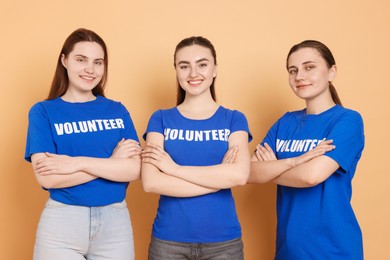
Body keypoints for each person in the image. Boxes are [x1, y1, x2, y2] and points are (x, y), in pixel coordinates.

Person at [24, 28, 141, 260]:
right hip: (62, 225)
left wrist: (76, 163)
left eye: (98, 62)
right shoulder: (43, 112)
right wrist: (112, 164)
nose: (90, 69)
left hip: (115, 225)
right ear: (64, 60)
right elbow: (47, 177)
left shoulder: (117, 110)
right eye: (81, 60)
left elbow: (135, 169)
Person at [249, 40, 365, 259]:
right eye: (293, 70)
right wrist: (293, 162)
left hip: (334, 250)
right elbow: (248, 173)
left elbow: (312, 176)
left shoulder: (347, 121)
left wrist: (271, 168)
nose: (299, 76)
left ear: (332, 72)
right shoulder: (285, 123)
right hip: (288, 251)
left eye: (309, 67)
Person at [141, 36, 252, 260]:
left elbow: (239, 176)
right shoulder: (160, 119)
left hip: (224, 243)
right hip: (168, 242)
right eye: (184, 66)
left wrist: (173, 169)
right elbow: (151, 182)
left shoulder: (234, 119)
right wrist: (218, 178)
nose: (193, 73)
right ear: (176, 71)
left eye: (202, 64)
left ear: (215, 69)